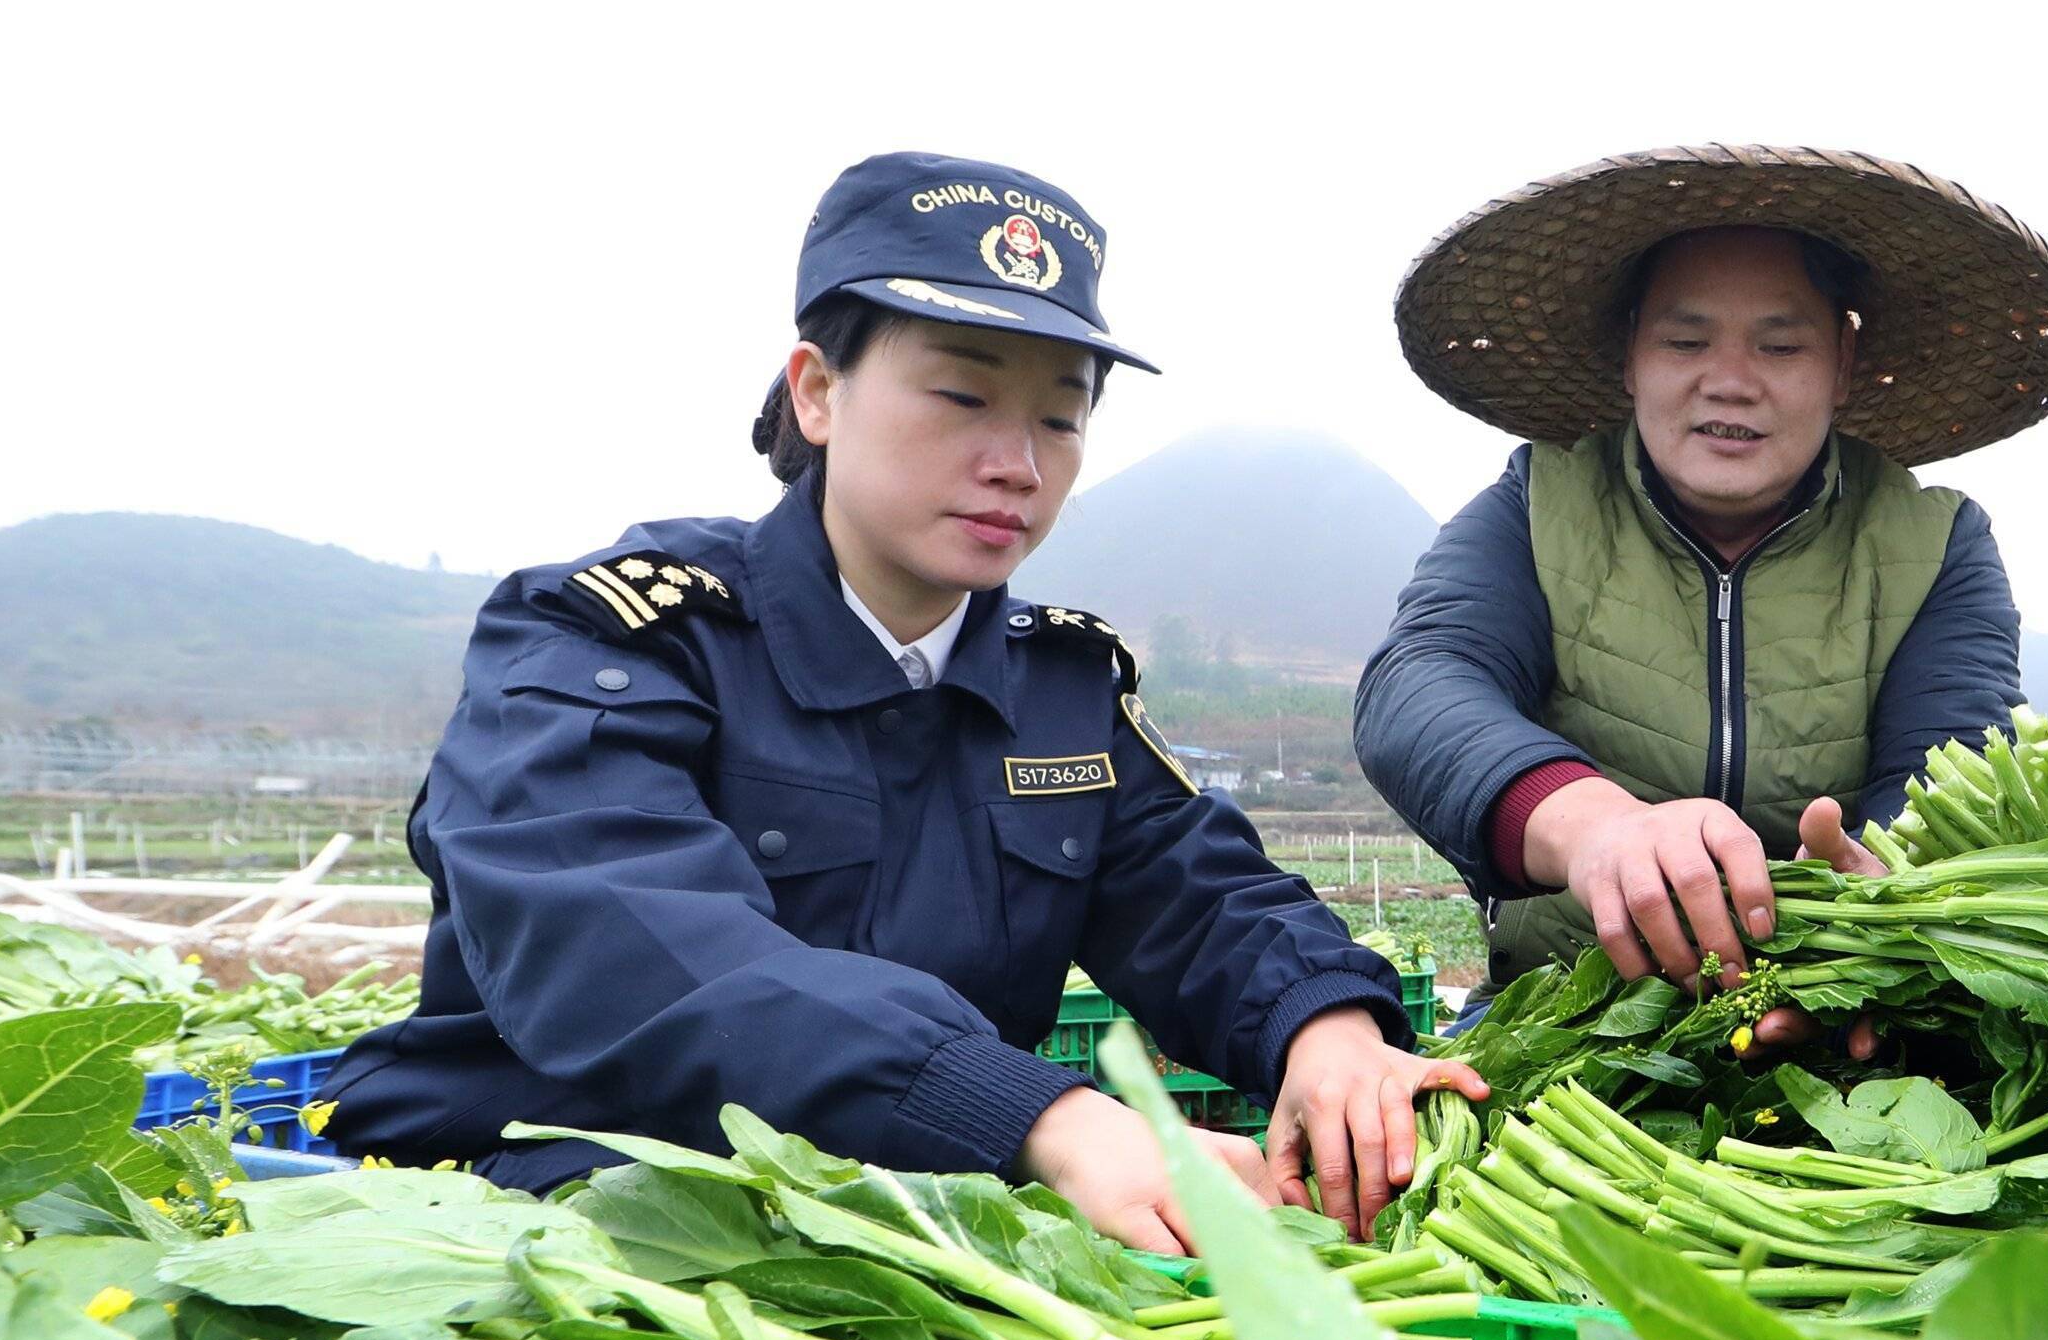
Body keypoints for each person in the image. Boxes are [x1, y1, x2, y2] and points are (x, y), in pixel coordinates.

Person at [323, 153, 1472, 1247]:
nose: (1019, 463)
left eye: (1061, 417)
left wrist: (1323, 1021)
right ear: (818, 392)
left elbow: (1195, 894)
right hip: (545, 1212)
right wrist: (1039, 1116)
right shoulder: (610, 639)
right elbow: (632, 945)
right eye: (963, 395)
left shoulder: (1057, 691)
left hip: (908, 1226)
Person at [1357, 144, 2048, 1015]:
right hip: (1561, 1007)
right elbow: (1419, 684)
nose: (1731, 382)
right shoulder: (1539, 505)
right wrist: (1596, 828)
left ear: (1843, 363)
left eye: (1781, 345)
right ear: (1631, 357)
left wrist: (1856, 917)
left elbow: (1951, 766)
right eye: (1685, 340)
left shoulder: (1934, 544)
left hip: (1846, 1002)